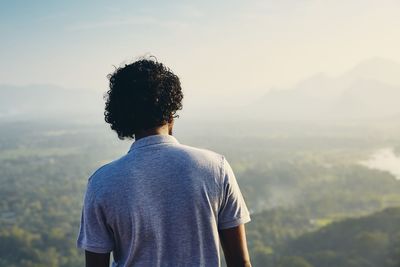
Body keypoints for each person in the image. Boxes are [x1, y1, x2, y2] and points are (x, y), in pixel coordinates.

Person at [77, 57, 252, 267]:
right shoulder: (216, 168)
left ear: (122, 116)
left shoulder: (101, 183)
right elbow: (240, 262)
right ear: (171, 110)